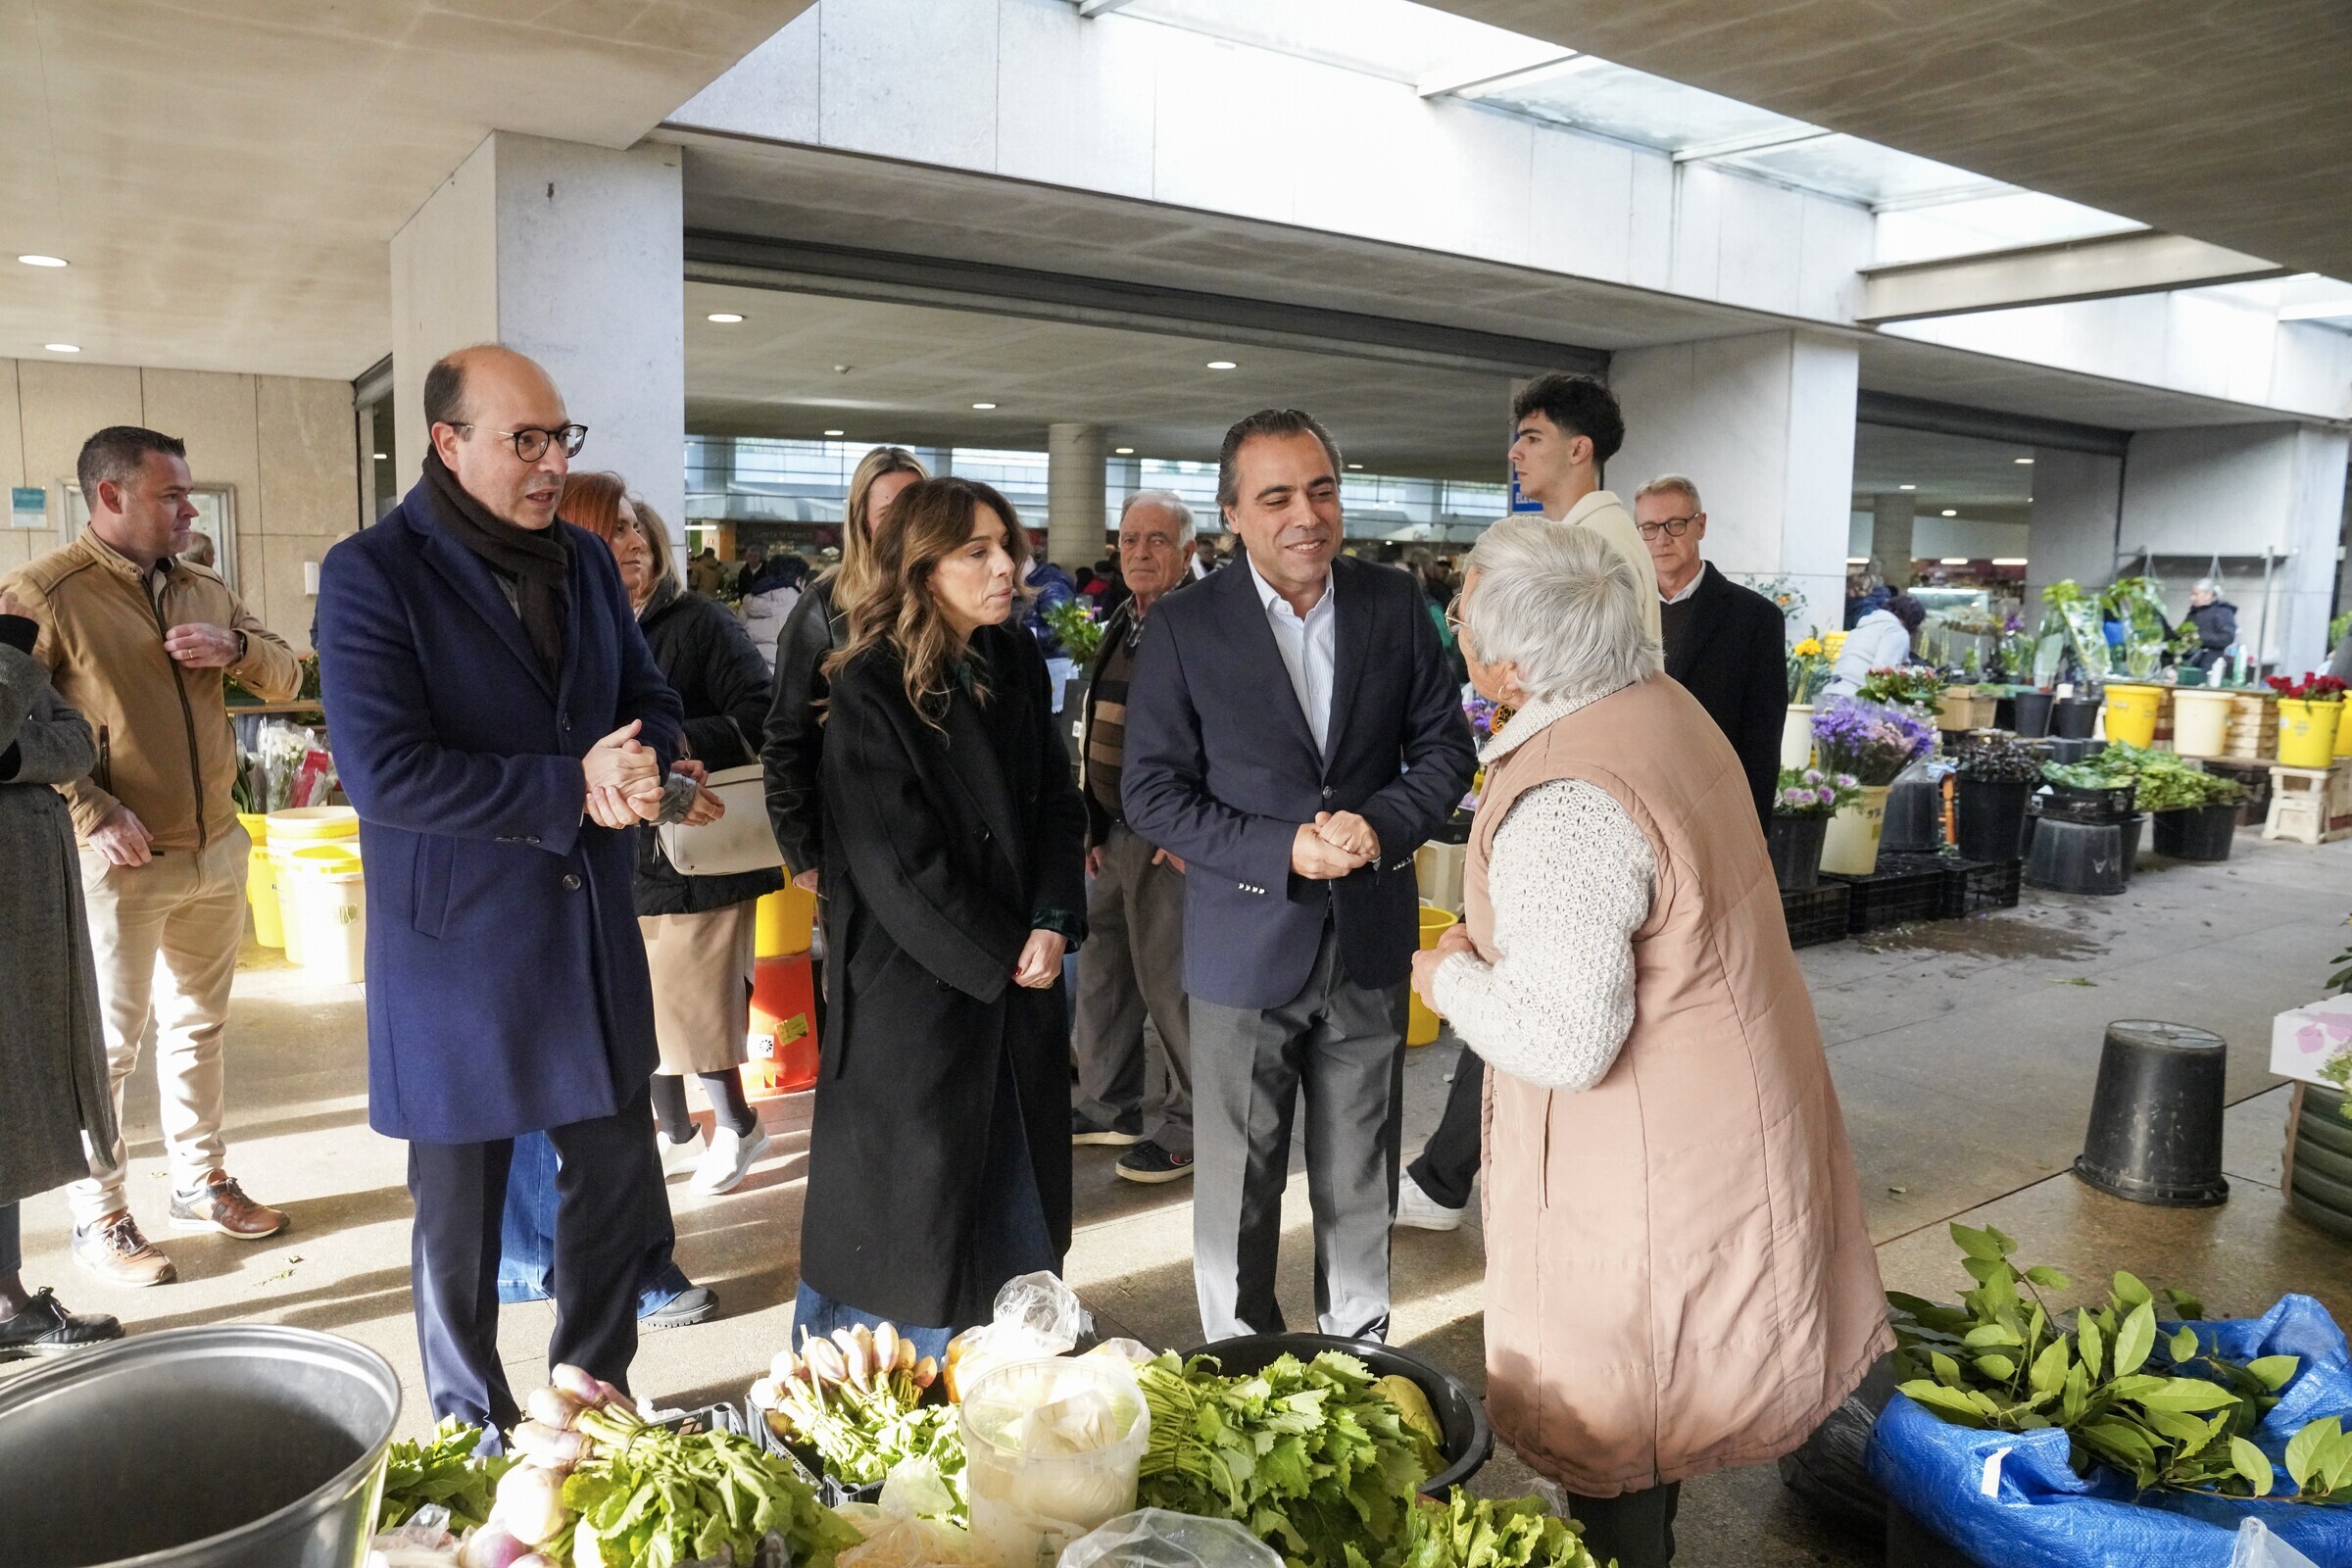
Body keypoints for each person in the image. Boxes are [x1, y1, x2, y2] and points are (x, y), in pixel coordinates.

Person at [1411, 519, 1886, 1568]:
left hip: (1645, 1159)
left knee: (1621, 1422)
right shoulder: (1657, 708)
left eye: (1464, 612)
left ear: (1515, 660)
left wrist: (1446, 977)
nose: (1454, 628)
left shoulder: (1567, 798)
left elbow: (1567, 1037)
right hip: (1716, 1110)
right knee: (1657, 1390)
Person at [314, 344, 684, 1429]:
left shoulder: (579, 556)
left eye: (560, 438)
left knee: (616, 1171)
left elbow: (647, 697)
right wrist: (573, 785)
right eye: (524, 440)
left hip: (584, 927)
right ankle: (470, 1415)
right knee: (461, 1206)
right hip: (459, 943)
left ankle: (592, 1383)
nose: (549, 464)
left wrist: (649, 761)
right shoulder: (373, 572)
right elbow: (387, 773)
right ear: (448, 441)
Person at [1122, 408, 1477, 1343]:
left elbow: (1446, 750)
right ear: (1233, 513)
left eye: (1321, 490)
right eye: (1276, 496)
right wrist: (1283, 848)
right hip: (1246, 942)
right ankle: (1240, 1366)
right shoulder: (1189, 626)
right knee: (1237, 1181)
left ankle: (1359, 1358)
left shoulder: (1393, 603)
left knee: (1361, 1172)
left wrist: (1382, 823)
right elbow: (1152, 794)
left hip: (1366, 933)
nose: (1305, 515)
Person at [3, 426, 301, 1288]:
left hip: (216, 846)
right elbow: (13, 728)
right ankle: (100, 1217)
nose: (189, 509)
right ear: (112, 496)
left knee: (199, 1029)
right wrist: (92, 809)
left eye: (188, 492)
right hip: (119, 860)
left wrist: (236, 650)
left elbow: (287, 672)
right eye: (172, 495)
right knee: (106, 1047)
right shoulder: (42, 594)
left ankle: (200, 1181)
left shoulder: (205, 584)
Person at [796, 477, 1087, 1353]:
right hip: (915, 990)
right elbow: (899, 865)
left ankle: (1008, 1351)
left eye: (1007, 546)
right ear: (921, 569)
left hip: (1012, 967)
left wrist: (1051, 916)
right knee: (912, 1214)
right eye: (977, 552)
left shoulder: (1013, 659)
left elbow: (1056, 804)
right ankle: (895, 1379)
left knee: (1012, 1189)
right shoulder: (869, 683)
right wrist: (1007, 950)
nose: (1006, 566)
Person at [0, 589, 125, 1356]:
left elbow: (77, 740)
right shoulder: (10, 643)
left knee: (10, 1097)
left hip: (25, 911)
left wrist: (12, 757)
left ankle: (7, 1302)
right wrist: (13, 643)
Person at [1072, 491, 1199, 1184]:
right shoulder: (1130, 618)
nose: (1140, 553)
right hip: (1115, 830)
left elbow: (1229, 731)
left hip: (1167, 839)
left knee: (1169, 983)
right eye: (1129, 541)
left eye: (1156, 540)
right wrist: (1092, 819)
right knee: (1105, 972)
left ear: (1187, 549)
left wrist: (1190, 827)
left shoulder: (1204, 620)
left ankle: (1190, 1122)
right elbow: (1101, 724)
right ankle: (1106, 1102)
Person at [762, 446, 927, 893]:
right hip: (856, 847)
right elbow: (785, 739)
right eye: (890, 510)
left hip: (943, 844)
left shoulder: (952, 602)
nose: (906, 522)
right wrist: (803, 853)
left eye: (918, 506)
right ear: (863, 520)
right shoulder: (823, 607)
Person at [1635, 475, 1786, 823]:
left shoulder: (1754, 617)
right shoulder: (1622, 609)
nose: (1661, 539)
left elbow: (1763, 735)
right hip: (1635, 804)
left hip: (1712, 805)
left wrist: (1755, 824)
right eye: (1649, 527)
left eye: (1675, 524)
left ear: (1700, 525)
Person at [1505, 372, 1661, 645]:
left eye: (1533, 439)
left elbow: (1594, 675)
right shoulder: (1587, 533)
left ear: (1578, 450)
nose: (1514, 452)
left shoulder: (1599, 543)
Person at [1826, 590, 1925, 696]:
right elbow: (1883, 672)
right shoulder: (1896, 632)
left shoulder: (1863, 626)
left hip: (1832, 689)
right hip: (1857, 696)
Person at [737, 543, 803, 674]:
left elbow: (738, 639)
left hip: (750, 672)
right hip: (785, 675)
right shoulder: (799, 605)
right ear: (798, 580)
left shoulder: (747, 604)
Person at [2180, 580, 2236, 672]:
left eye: (2195, 594)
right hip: (2189, 661)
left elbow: (2227, 637)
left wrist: (2199, 638)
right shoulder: (2194, 613)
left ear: (2208, 595)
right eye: (2191, 594)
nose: (2192, 598)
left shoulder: (2223, 612)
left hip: (2211, 665)